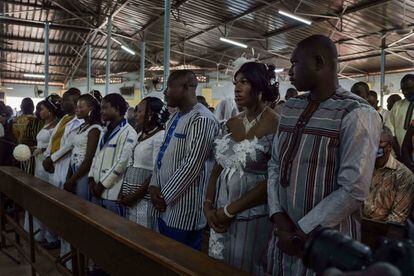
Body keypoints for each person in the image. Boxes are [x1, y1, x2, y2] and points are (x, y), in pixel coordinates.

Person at [266, 35, 382, 276]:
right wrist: (278, 217)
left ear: (318, 63)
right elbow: (275, 164)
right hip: (283, 237)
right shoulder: (290, 108)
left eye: (294, 63)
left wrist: (301, 231)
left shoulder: (357, 113)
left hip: (325, 244)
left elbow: (353, 188)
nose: (289, 71)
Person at [204, 62, 279, 274]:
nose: (236, 88)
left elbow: (273, 178)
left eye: (244, 82)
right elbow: (217, 168)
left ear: (260, 86)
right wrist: (208, 205)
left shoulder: (276, 124)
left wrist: (230, 210)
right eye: (235, 83)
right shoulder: (230, 123)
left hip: (251, 217)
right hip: (218, 215)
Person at [148, 70, 219, 250]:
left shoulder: (202, 119)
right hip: (164, 204)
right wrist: (154, 185)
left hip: (184, 209)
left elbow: (192, 165)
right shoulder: (175, 117)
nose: (165, 92)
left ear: (186, 87)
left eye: (170, 87)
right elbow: (162, 154)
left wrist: (165, 196)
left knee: (179, 260)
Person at [119, 97, 169, 229]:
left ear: (150, 114)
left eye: (139, 111)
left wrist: (134, 196)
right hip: (131, 194)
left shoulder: (160, 136)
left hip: (143, 196)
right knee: (131, 231)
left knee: (143, 231)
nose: (136, 115)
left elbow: (156, 171)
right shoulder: (140, 133)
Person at [42, 88, 83, 249]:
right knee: (52, 205)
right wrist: (47, 155)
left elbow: (68, 146)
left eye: (64, 100)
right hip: (53, 163)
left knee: (60, 206)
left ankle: (58, 240)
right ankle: (53, 238)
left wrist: (51, 159)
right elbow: (53, 140)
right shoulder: (64, 118)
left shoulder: (79, 121)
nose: (61, 102)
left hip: (64, 165)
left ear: (74, 102)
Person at [88, 93, 138, 216]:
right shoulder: (105, 130)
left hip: (111, 193)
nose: (101, 111)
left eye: (105, 108)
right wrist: (91, 178)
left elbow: (121, 163)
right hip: (96, 189)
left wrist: (102, 185)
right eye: (101, 108)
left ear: (116, 109)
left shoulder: (128, 132)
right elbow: (96, 155)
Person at [24, 94, 62, 242]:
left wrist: (43, 149)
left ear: (51, 111)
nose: (39, 112)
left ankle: (50, 235)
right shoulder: (44, 124)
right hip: (38, 161)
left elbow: (55, 145)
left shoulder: (57, 126)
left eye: (42, 109)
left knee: (46, 195)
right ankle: (38, 232)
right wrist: (35, 148)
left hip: (46, 162)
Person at [363, 126, 414, 224]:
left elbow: (397, 217)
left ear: (390, 146)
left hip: (381, 232)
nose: (374, 146)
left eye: (379, 142)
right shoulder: (360, 167)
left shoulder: (404, 176)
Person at [64, 92, 102, 200]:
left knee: (82, 204)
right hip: (74, 170)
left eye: (80, 107)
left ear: (91, 109)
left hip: (84, 173)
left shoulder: (95, 129)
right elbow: (74, 150)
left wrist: (72, 180)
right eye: (77, 106)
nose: (77, 109)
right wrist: (70, 176)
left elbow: (89, 159)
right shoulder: (83, 126)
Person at [385, 74, 414, 158]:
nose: (405, 92)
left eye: (408, 89)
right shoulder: (397, 105)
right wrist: (399, 152)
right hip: (400, 154)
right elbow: (390, 130)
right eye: (403, 89)